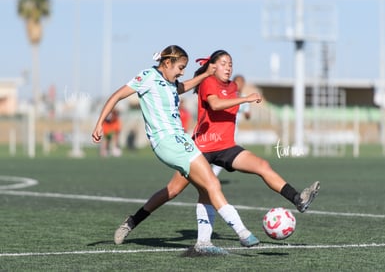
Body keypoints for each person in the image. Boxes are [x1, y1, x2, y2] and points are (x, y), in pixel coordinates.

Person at [112, 49, 320, 254]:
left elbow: (238, 110)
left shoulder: (233, 87)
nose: (228, 67)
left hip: (226, 146)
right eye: (223, 63)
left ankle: (298, 199)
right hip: (201, 147)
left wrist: (244, 101)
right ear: (213, 65)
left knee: (262, 166)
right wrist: (245, 99)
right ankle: (131, 222)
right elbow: (216, 104)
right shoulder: (208, 82)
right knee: (173, 191)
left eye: (231, 63)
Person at [92, 45, 259, 253]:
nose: (182, 72)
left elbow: (184, 86)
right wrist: (99, 123)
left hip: (182, 140)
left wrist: (206, 73)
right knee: (211, 182)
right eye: (180, 67)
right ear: (167, 63)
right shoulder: (148, 76)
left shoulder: (171, 83)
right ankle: (242, 233)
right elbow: (116, 96)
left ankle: (140, 224)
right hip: (166, 142)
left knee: (185, 189)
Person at [211, 74, 249, 176]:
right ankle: (210, 173)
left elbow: (247, 115)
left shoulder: (245, 98)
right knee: (221, 150)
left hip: (234, 128)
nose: (239, 85)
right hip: (223, 126)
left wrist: (248, 113)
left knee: (224, 150)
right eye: (237, 82)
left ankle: (212, 174)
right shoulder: (227, 94)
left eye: (242, 83)